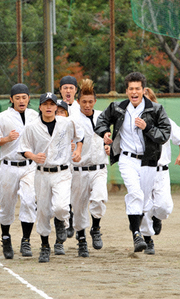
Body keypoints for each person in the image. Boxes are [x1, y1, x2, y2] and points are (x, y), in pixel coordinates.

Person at [94, 72, 171, 253]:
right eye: (131, 89)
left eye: (137, 89)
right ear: (126, 91)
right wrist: (104, 132)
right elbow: (101, 120)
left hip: (148, 160)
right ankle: (136, 235)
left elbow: (164, 134)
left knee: (145, 201)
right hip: (127, 159)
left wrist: (148, 127)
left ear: (144, 90)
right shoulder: (118, 107)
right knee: (135, 194)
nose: (134, 92)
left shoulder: (156, 109)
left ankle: (148, 237)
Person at [19, 92, 84, 263]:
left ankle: (62, 221)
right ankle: (45, 246)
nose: (48, 107)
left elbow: (80, 136)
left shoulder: (67, 123)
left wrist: (77, 150)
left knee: (61, 207)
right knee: (43, 211)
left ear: (57, 107)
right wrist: (33, 157)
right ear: (40, 107)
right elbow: (23, 148)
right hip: (41, 173)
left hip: (62, 172)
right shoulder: (31, 127)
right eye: (45, 104)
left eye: (52, 104)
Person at [0, 83, 39, 259]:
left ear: (29, 99)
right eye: (17, 97)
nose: (21, 100)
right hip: (9, 166)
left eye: (24, 97)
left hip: (29, 165)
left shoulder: (35, 116)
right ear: (11, 99)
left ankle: (26, 240)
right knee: (7, 205)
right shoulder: (3, 117)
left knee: (29, 200)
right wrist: (6, 139)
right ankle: (6, 237)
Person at [140, 88, 180, 255]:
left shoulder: (164, 120)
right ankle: (148, 240)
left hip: (161, 171)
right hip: (142, 169)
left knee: (164, 207)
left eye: (148, 100)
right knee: (144, 207)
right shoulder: (133, 122)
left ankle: (157, 217)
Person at [70, 79, 109, 257]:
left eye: (90, 101)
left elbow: (109, 137)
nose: (87, 104)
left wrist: (109, 144)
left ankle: (96, 228)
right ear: (78, 102)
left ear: (95, 101)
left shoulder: (102, 116)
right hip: (78, 169)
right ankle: (81, 240)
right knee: (78, 208)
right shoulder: (72, 120)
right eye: (84, 101)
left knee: (100, 198)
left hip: (99, 167)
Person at [58, 76, 80, 238]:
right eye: (65, 87)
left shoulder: (81, 109)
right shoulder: (55, 108)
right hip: (60, 159)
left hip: (79, 158)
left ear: (75, 90)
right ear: (60, 90)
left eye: (71, 88)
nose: (68, 90)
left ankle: (75, 221)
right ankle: (65, 220)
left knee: (76, 192)